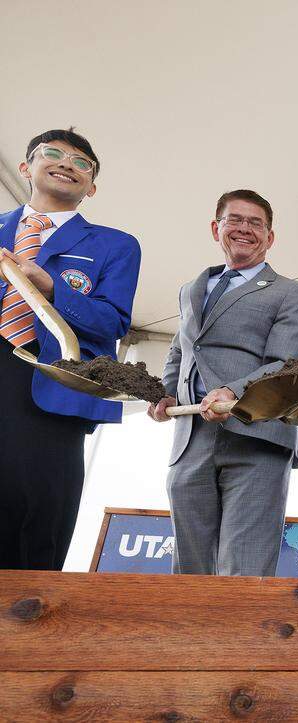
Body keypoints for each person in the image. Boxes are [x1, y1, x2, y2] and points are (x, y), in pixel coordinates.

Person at [148, 190, 298, 576]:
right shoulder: (190, 290)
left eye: (256, 223)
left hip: (256, 438)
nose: (244, 229)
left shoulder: (292, 292)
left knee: (244, 570)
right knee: (190, 570)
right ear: (216, 228)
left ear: (270, 237)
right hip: (190, 444)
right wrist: (165, 393)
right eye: (234, 220)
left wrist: (233, 393)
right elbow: (180, 350)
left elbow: (287, 364)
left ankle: (240, 639)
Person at [0, 128, 142, 571]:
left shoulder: (114, 245)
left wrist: (54, 289)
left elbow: (113, 321)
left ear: (92, 187)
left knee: (38, 522)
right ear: (26, 167)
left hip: (51, 386)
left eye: (82, 163)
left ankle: (26, 628)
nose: (67, 164)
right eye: (53, 154)